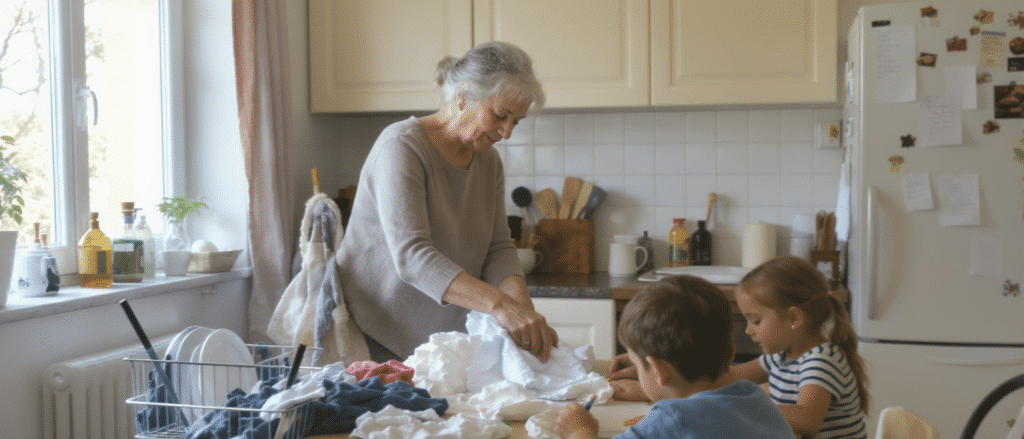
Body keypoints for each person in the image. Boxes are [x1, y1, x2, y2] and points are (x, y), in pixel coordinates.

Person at [335, 41, 559, 364]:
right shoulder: (402, 147)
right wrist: (501, 306)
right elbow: (413, 257)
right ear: (463, 96)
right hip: (374, 332)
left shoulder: (489, 162)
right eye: (500, 115)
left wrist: (524, 313)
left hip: (441, 339)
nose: (507, 132)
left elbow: (498, 248)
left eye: (516, 121)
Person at [555, 275, 796, 439]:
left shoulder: (672, 419)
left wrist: (580, 431)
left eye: (639, 367)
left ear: (658, 370)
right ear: (731, 351)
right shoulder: (758, 400)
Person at [730, 256, 869, 438]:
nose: (748, 330)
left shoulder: (821, 361)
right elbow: (729, 377)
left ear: (794, 318)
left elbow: (808, 421)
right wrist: (691, 377)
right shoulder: (780, 355)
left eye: (756, 321)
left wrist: (743, 406)